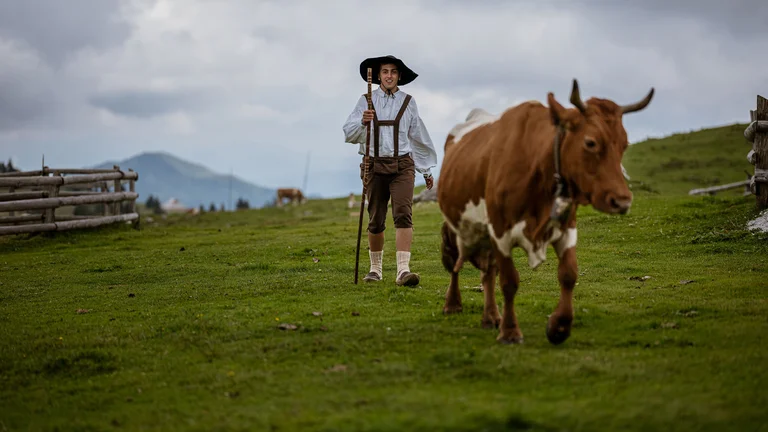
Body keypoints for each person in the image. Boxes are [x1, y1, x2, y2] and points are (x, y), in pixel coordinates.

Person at [343, 55, 438, 286]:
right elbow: (349, 133)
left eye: (393, 72)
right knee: (375, 219)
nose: (388, 75)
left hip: (402, 166)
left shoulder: (408, 101)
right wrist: (363, 122)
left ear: (399, 76)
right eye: (385, 71)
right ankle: (375, 270)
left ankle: (403, 271)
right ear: (378, 76)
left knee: (403, 214)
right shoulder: (365, 101)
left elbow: (417, 136)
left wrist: (425, 170)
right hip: (374, 165)